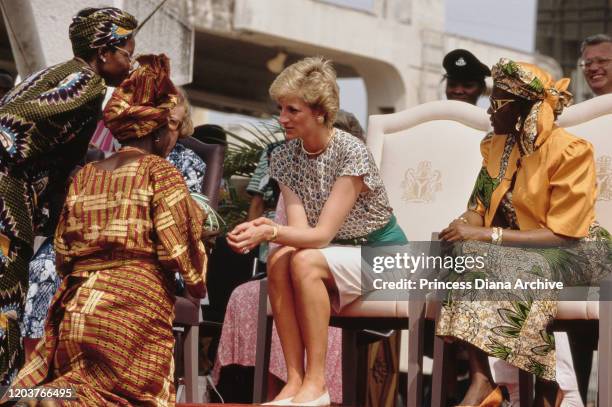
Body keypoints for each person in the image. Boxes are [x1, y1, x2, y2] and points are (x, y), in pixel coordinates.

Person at [7, 54, 208, 405]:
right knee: (124, 396)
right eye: (171, 129)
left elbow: (63, 250)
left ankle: (42, 396)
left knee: (76, 380)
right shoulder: (161, 173)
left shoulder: (87, 174)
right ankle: (58, 400)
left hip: (77, 304)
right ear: (158, 131)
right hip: (132, 306)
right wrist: (196, 278)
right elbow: (178, 251)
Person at [226, 56, 407, 405]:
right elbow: (298, 232)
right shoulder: (284, 157)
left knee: (305, 262)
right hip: (336, 257)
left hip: (384, 258)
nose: (282, 119)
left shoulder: (351, 152)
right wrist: (267, 230)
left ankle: (317, 382)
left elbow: (321, 235)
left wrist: (267, 230)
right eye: (281, 108)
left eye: (292, 110)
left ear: (320, 112)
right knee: (281, 261)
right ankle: (294, 381)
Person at [436, 58, 611, 407]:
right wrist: (464, 226)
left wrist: (489, 237)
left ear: (522, 108)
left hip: (579, 251)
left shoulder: (570, 150)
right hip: (520, 250)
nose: (488, 111)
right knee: (458, 256)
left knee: (518, 269)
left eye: (496, 102)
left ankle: (548, 387)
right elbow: (480, 206)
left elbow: (564, 234)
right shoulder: (498, 146)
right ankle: (482, 379)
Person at [0, 6, 137, 385]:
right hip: (6, 197)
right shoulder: (87, 82)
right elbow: (13, 122)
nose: (131, 62)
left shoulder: (56, 71)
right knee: (5, 298)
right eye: (127, 52)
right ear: (104, 52)